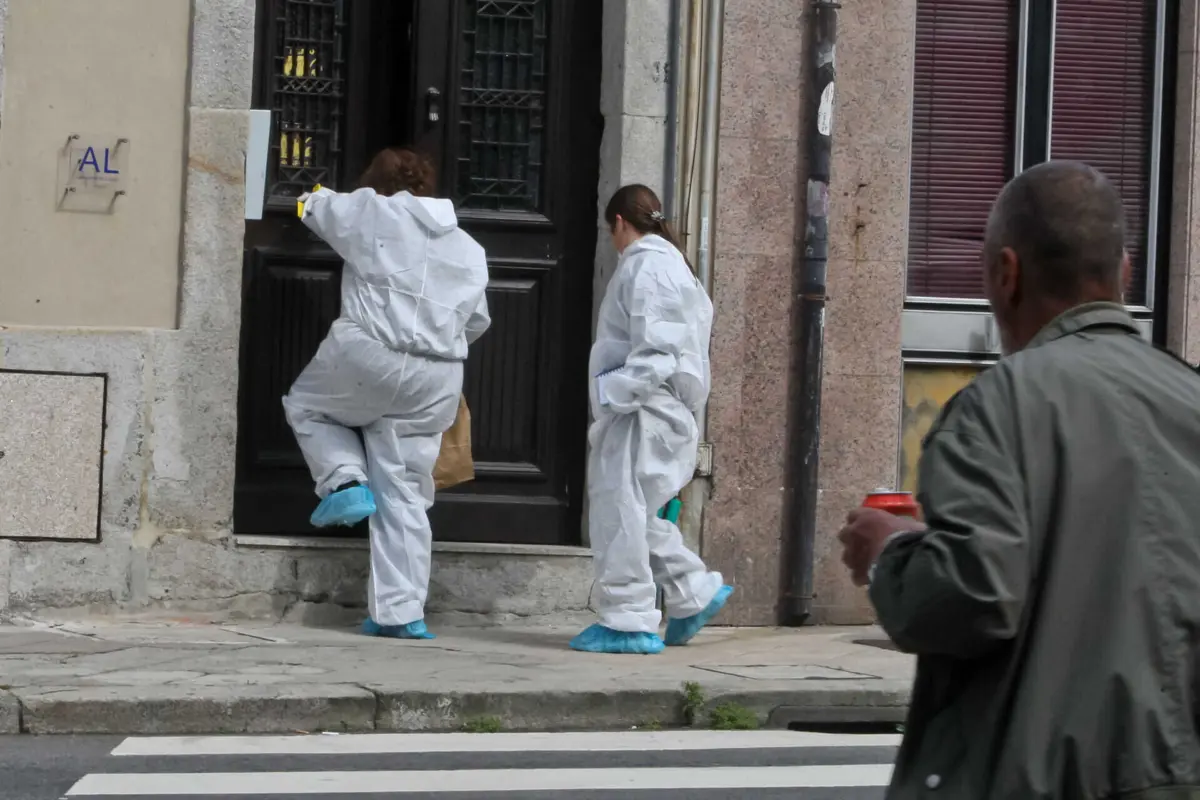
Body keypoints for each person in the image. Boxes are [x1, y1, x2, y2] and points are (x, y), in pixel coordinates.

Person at [838, 161, 1200, 798]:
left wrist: (893, 551)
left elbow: (972, 594)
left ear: (1006, 275)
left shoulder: (998, 405)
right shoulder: (1189, 398)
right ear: (1124, 273)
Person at [283, 148, 490, 641]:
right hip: (438, 374)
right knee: (406, 492)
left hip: (369, 353)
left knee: (308, 406)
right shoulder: (468, 246)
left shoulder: (373, 209)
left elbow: (313, 206)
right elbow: (478, 321)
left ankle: (343, 482)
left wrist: (305, 198)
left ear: (376, 183)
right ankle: (401, 614)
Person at [571, 184, 733, 656]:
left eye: (611, 231)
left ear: (619, 222)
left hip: (644, 411)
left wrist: (611, 391)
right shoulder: (672, 266)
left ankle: (627, 620)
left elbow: (657, 351)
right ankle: (692, 592)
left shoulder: (647, 265)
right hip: (659, 410)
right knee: (637, 513)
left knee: (617, 511)